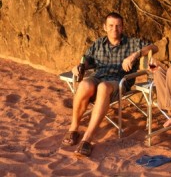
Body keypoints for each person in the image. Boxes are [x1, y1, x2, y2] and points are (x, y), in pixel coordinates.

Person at [62, 12, 158, 156]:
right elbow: (87, 59)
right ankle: (73, 130)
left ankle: (87, 139)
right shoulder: (98, 44)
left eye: (118, 26)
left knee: (103, 87)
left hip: (119, 81)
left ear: (122, 27)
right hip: (98, 76)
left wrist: (135, 55)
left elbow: (154, 47)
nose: (115, 29)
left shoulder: (132, 43)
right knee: (84, 85)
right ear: (105, 27)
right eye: (111, 25)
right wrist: (79, 66)